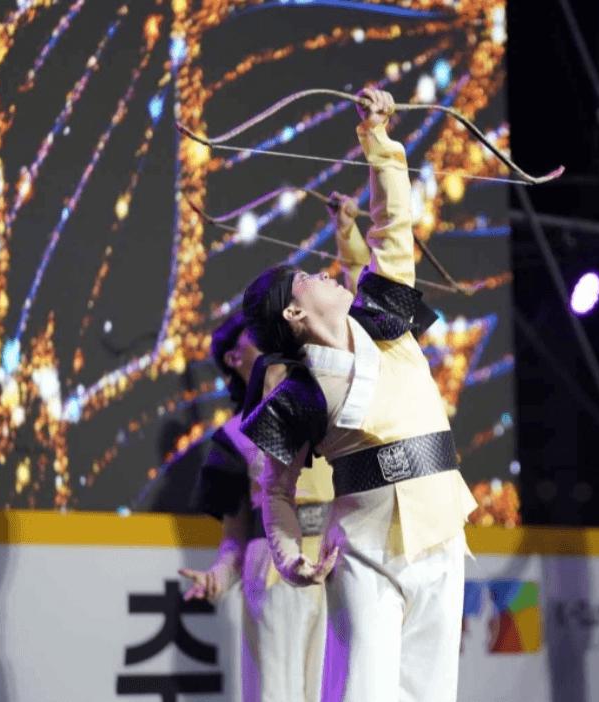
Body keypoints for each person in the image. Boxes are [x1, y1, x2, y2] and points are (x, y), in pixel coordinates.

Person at [239, 88, 478, 702]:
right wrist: (291, 555)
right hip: (368, 555)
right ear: (293, 311)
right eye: (306, 277)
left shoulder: (382, 319)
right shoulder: (294, 396)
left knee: (431, 695)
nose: (321, 272)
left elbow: (392, 228)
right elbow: (274, 488)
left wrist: (379, 142)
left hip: (441, 531)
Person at [180, 313, 334, 702]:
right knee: (276, 693)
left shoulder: (325, 413)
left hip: (335, 562)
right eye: (257, 335)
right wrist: (219, 575)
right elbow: (234, 537)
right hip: (273, 575)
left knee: (336, 690)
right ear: (234, 358)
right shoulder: (232, 437)